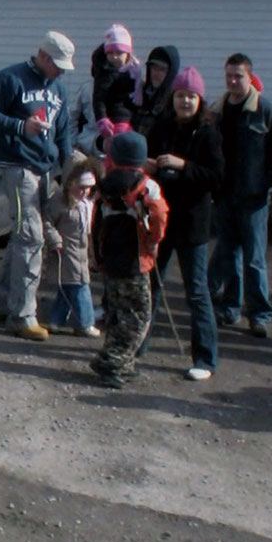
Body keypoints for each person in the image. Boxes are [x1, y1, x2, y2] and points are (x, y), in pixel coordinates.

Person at [0, 31, 76, 340]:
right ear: (42, 56)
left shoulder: (58, 88)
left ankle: (5, 302)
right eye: (57, 64)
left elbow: (63, 129)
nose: (60, 71)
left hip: (45, 168)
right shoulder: (10, 79)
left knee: (22, 236)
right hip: (17, 167)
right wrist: (20, 126)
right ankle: (23, 315)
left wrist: (70, 165)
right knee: (31, 237)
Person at [143, 66, 223, 381]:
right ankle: (137, 344)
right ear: (172, 98)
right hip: (160, 219)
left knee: (197, 292)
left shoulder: (209, 132)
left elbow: (216, 177)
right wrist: (148, 166)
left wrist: (184, 165)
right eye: (180, 96)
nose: (185, 102)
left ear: (200, 100)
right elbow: (143, 163)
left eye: (191, 96)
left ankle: (205, 358)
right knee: (151, 286)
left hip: (193, 223)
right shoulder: (160, 127)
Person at [206, 52, 272, 338]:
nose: (232, 81)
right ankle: (230, 308)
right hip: (225, 195)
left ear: (250, 77)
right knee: (229, 255)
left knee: (254, 258)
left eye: (238, 75)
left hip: (253, 199)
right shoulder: (216, 112)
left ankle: (259, 314)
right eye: (228, 75)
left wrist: (265, 182)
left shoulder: (266, 111)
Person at [90, 132, 169, 389]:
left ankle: (117, 359)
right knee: (138, 316)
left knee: (116, 312)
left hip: (111, 258)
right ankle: (114, 361)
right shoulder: (146, 186)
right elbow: (158, 215)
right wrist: (154, 240)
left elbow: (96, 223)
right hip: (136, 261)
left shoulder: (103, 186)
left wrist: (97, 257)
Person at [43, 159, 101, 338]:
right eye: (81, 187)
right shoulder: (60, 201)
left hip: (80, 252)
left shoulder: (87, 204)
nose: (85, 192)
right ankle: (86, 322)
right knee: (80, 287)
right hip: (66, 251)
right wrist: (55, 240)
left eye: (88, 188)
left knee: (67, 287)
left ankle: (56, 320)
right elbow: (47, 221)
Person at [131, 45, 181, 138]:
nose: (156, 73)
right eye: (154, 68)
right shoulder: (138, 94)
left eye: (162, 69)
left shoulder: (174, 101)